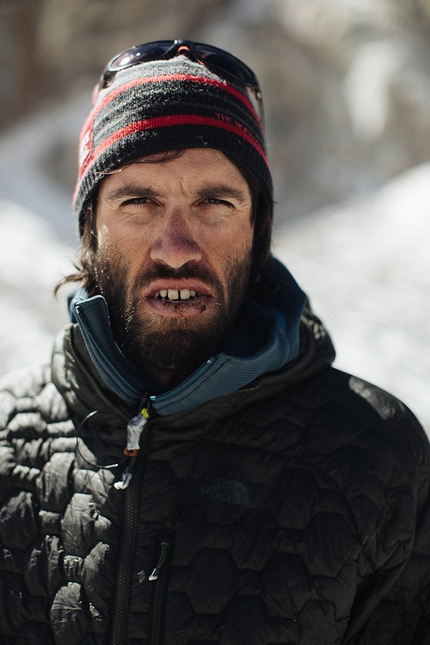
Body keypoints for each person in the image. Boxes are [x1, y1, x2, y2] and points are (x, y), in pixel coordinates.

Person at [0, 39, 429, 645]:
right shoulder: (5, 441)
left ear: (257, 231)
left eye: (215, 203)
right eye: (139, 202)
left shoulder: (379, 456)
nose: (176, 247)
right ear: (89, 230)